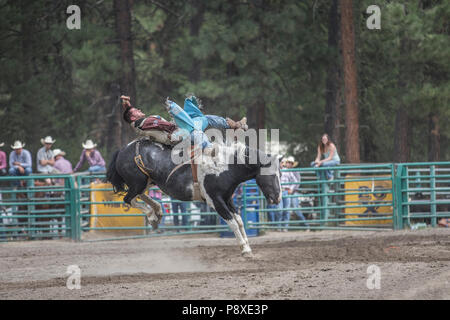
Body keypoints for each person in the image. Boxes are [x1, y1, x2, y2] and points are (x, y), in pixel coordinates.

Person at [284, 156, 309, 230]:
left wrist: (292, 189)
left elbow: (297, 182)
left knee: (295, 209)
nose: (288, 164)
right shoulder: (285, 171)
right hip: (287, 191)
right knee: (287, 209)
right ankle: (285, 227)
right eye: (288, 162)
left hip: (294, 192)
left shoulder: (295, 172)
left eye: (290, 163)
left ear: (292, 164)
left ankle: (306, 225)